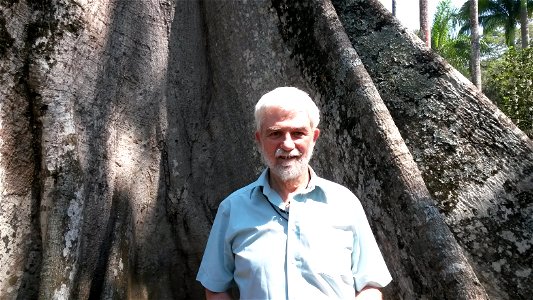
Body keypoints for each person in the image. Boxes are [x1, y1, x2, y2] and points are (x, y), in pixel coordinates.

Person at [197, 87, 392, 299]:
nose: (288, 145)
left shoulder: (345, 204)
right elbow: (215, 288)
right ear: (259, 139)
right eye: (275, 133)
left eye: (298, 133)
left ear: (314, 137)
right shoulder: (233, 209)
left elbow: (369, 286)